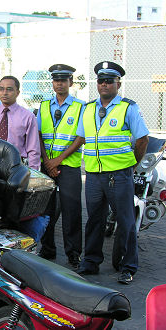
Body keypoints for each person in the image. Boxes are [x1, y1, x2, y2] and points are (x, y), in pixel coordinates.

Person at [76, 61, 149, 284]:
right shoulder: (88, 108)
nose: (105, 84)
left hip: (119, 174)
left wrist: (132, 165)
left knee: (126, 221)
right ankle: (90, 261)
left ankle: (128, 267)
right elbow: (83, 137)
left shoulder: (128, 107)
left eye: (110, 81)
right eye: (101, 80)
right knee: (94, 220)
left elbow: (142, 140)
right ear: (97, 83)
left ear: (118, 83)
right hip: (94, 175)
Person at [37, 64, 85, 268]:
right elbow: (38, 135)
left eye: (63, 80)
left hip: (69, 166)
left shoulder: (81, 106)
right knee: (44, 209)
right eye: (56, 80)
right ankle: (47, 249)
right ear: (53, 83)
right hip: (46, 165)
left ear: (70, 83)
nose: (59, 84)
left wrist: (57, 161)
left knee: (71, 210)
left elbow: (80, 138)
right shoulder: (44, 105)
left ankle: (73, 254)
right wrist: (48, 161)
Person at [0, 75, 40, 170]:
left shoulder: (28, 117)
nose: (4, 93)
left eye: (9, 89)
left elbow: (33, 150)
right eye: (1, 89)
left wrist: (33, 173)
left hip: (16, 166)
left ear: (18, 92)